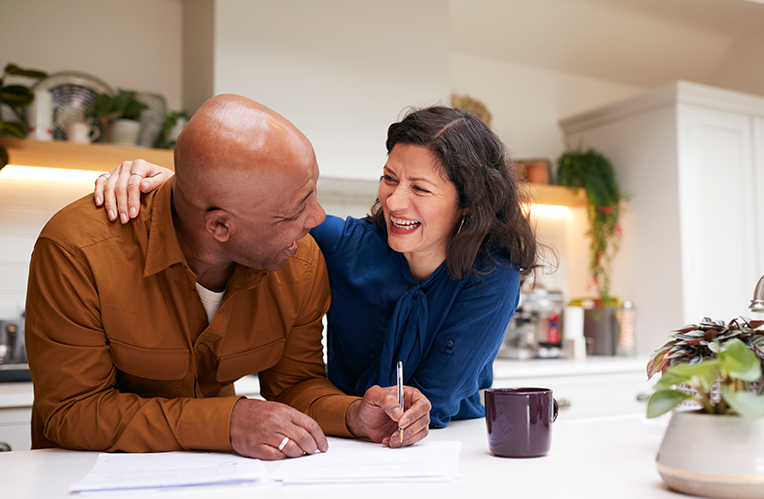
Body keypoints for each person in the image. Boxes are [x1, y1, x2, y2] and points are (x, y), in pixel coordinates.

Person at [25, 94, 430, 460]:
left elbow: (294, 385)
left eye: (313, 192)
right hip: (79, 485)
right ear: (219, 226)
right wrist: (227, 422)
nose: (317, 219)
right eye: (294, 210)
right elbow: (72, 411)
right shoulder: (77, 251)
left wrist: (354, 414)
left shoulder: (299, 260)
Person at [96, 106, 540, 427]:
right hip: (347, 432)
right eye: (389, 178)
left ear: (468, 205)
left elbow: (433, 402)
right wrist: (173, 184)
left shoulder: (492, 276)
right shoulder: (349, 246)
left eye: (420, 188)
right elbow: (254, 211)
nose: (394, 200)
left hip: (442, 444)